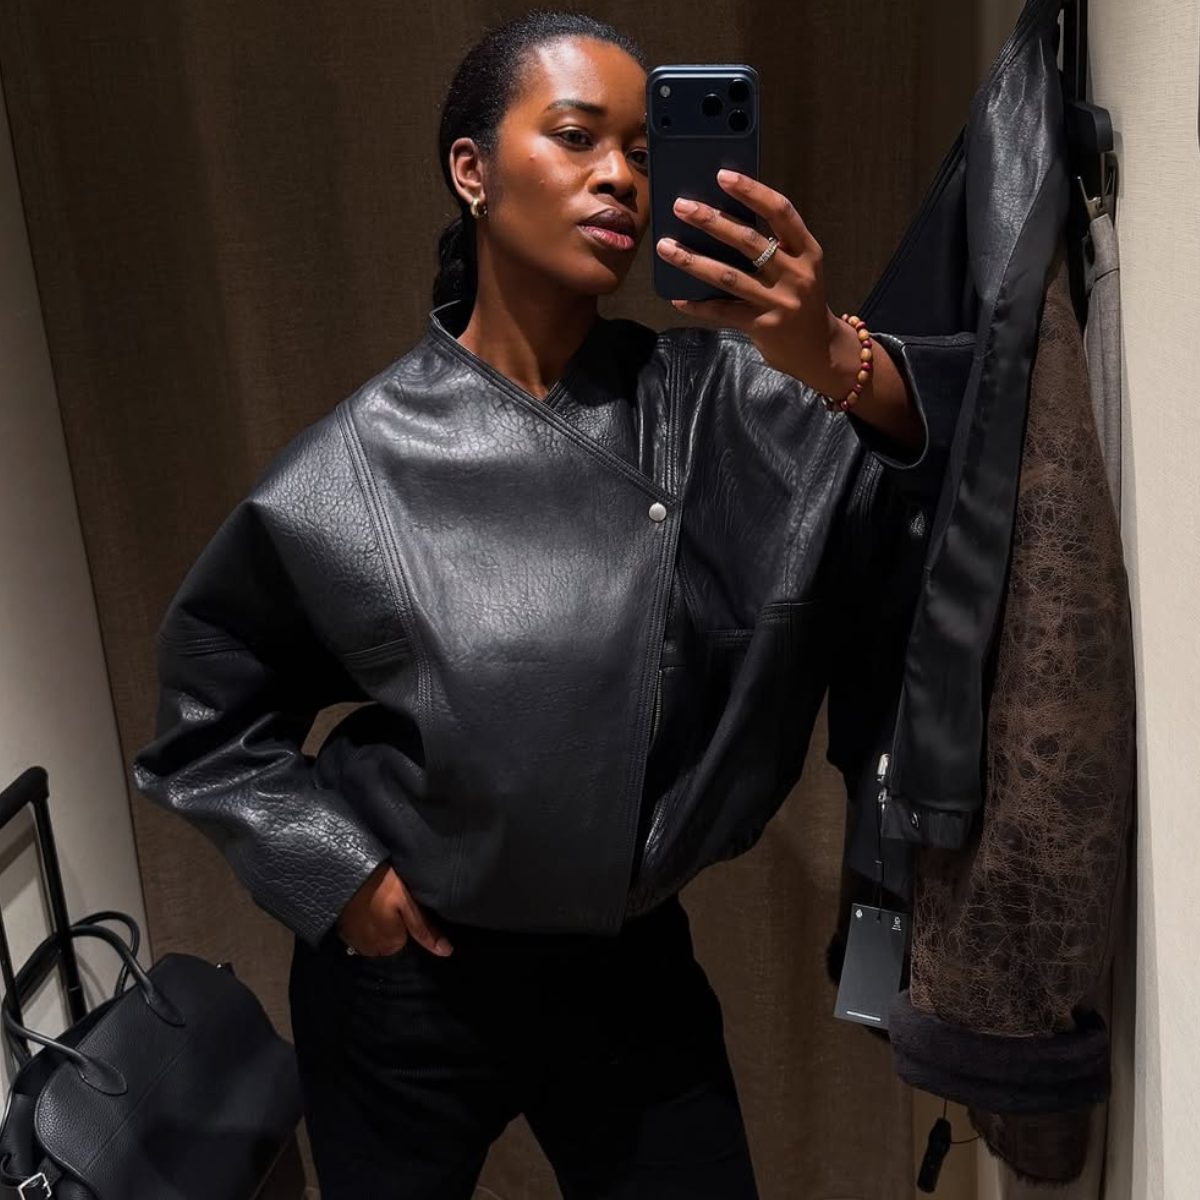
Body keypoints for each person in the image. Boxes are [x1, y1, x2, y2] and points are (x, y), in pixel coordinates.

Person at [134, 10, 972, 1199]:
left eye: (641, 150)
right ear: (471, 170)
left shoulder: (718, 397)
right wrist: (340, 878)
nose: (620, 176)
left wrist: (829, 352)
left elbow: (947, 460)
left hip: (626, 968)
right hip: (409, 982)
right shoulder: (358, 463)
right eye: (578, 137)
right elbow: (206, 720)